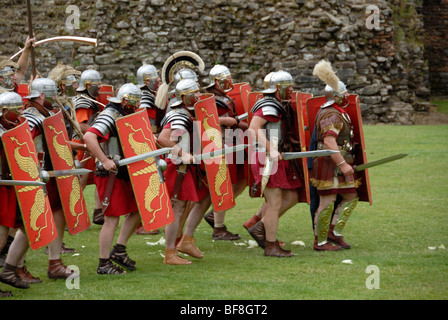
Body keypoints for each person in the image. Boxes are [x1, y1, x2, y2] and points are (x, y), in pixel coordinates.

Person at [22, 78, 80, 278]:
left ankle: (54, 262)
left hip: (51, 175)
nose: (56, 98)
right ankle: (15, 267)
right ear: (42, 95)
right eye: (52, 94)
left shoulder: (44, 114)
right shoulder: (31, 116)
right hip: (35, 177)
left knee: (56, 214)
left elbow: (57, 143)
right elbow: (24, 146)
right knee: (28, 223)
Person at [83, 83, 144, 274]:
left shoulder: (124, 114)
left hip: (125, 172)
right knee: (111, 219)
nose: (137, 104)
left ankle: (119, 250)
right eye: (134, 100)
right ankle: (103, 263)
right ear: (125, 100)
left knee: (136, 211)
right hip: (110, 174)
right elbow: (89, 137)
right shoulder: (110, 114)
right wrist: (103, 159)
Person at [248, 70, 305, 257]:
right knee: (274, 202)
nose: (292, 90)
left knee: (292, 197)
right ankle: (271, 245)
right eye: (289, 87)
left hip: (272, 155)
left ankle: (260, 227)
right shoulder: (268, 106)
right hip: (265, 157)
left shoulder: (275, 104)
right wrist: (270, 149)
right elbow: (254, 129)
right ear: (279, 88)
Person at [157, 79, 211, 265]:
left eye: (198, 92)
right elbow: (163, 139)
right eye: (193, 93)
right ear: (182, 97)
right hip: (178, 168)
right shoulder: (180, 115)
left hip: (187, 167)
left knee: (196, 200)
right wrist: (183, 153)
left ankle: (185, 241)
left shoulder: (187, 113)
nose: (197, 96)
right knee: (177, 208)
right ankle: (170, 253)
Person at [310, 60, 360, 251]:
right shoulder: (331, 114)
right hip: (330, 163)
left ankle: (333, 232)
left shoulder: (339, 112)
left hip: (340, 161)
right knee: (327, 201)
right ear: (336, 96)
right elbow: (330, 142)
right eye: (344, 93)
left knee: (351, 196)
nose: (347, 96)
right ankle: (320, 242)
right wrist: (343, 164)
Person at [202, 64, 247, 240]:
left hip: (232, 143)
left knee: (240, 181)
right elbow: (204, 119)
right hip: (218, 145)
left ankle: (215, 215)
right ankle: (218, 228)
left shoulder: (224, 97)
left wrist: (241, 124)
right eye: (225, 80)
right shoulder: (209, 99)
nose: (229, 82)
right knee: (222, 185)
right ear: (215, 82)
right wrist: (225, 120)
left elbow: (232, 120)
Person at [0, 92, 34, 297]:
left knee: (31, 226)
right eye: (15, 110)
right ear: (4, 111)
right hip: (2, 186)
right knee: (1, 236)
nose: (19, 113)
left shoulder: (13, 128)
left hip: (16, 184)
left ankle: (10, 270)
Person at [73, 69, 104, 225]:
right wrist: (98, 130)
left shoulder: (90, 100)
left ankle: (98, 212)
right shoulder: (83, 101)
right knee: (81, 181)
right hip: (82, 145)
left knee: (99, 175)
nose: (99, 88)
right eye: (96, 85)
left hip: (90, 144)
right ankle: (70, 215)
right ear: (88, 85)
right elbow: (80, 126)